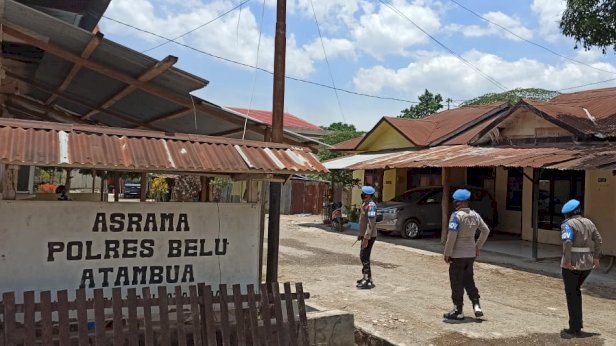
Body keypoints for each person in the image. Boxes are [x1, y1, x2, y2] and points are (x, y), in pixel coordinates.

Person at [443, 188, 490, 320]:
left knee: (456, 282)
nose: (455, 204)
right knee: (469, 280)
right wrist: (477, 247)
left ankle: (458, 310)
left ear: (461, 203)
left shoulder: (456, 216)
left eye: (456, 202)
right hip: (470, 254)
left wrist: (447, 253)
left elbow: (451, 237)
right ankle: (476, 305)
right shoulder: (475, 215)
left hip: (457, 255)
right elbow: (485, 231)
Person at [559, 199, 602, 336]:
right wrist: (596, 257)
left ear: (567, 214)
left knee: (572, 294)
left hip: (572, 264)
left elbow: (567, 242)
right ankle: (578, 324)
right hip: (588, 264)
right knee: (576, 292)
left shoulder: (567, 224)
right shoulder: (589, 223)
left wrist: (567, 261)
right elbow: (598, 240)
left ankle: (574, 327)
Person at [356, 185, 378, 289]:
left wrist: (366, 237)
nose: (362, 195)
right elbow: (362, 222)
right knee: (363, 256)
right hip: (365, 235)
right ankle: (366, 277)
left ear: (368, 196)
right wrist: (360, 235)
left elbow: (371, 223)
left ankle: (367, 280)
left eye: (364, 194)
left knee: (364, 256)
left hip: (369, 236)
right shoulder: (365, 204)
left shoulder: (371, 206)